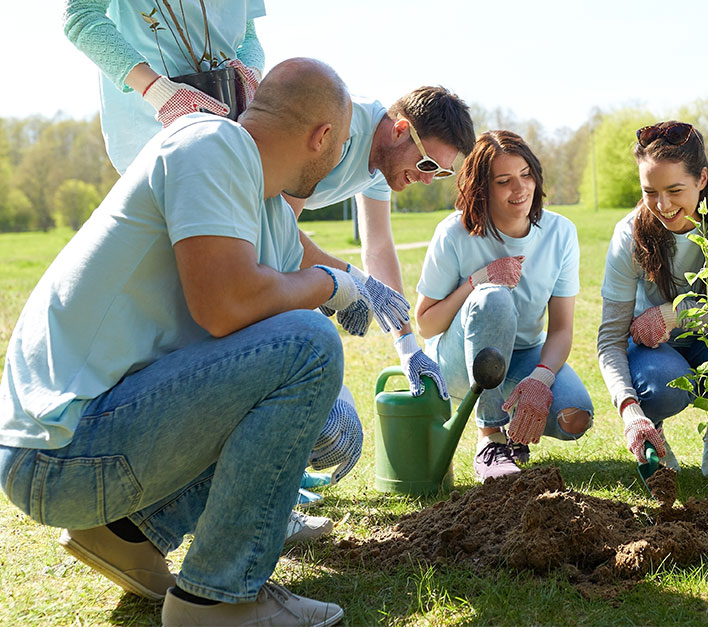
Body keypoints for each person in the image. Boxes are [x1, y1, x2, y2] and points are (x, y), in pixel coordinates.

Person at [0, 58, 366, 625]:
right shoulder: (211, 146)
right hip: (57, 453)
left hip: (89, 440)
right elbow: (226, 307)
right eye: (341, 146)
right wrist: (330, 286)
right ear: (322, 137)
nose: (339, 159)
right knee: (310, 344)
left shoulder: (262, 205)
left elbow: (262, 334)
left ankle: (126, 533)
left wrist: (346, 298)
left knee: (302, 346)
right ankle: (218, 600)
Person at [414, 130, 593, 480]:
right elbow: (426, 324)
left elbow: (561, 329)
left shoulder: (561, 233)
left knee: (574, 417)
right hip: (456, 363)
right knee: (493, 296)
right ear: (482, 188)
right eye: (504, 181)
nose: (520, 188)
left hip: (522, 353)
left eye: (526, 175)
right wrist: (477, 281)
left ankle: (514, 436)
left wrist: (540, 379)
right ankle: (491, 440)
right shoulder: (454, 233)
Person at [283, 87, 477, 401]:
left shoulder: (384, 159)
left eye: (439, 172)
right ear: (401, 130)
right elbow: (280, 231)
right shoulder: (341, 132)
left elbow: (378, 248)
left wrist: (408, 347)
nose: (427, 180)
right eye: (427, 164)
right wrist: (356, 281)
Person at [597, 121, 708, 481]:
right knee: (664, 384)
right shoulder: (629, 235)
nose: (663, 205)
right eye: (650, 192)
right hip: (651, 350)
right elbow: (609, 340)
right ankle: (652, 430)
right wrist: (630, 412)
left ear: (702, 179)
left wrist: (675, 315)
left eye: (675, 190)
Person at [65, 0, 266, 174]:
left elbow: (249, 38)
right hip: (153, 136)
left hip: (233, 133)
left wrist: (252, 75)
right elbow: (81, 14)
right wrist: (157, 91)